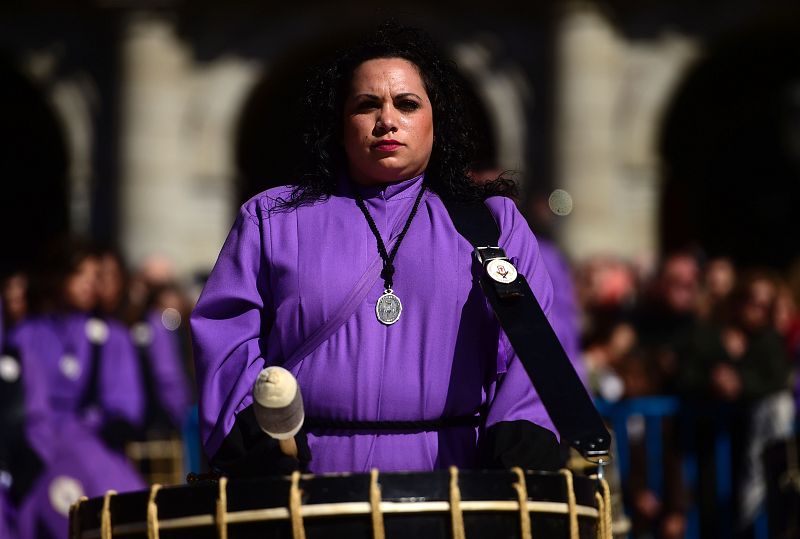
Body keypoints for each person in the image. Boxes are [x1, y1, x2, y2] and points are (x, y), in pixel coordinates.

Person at [191, 22, 563, 476]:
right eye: (367, 106)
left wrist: (518, 444)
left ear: (435, 121)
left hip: (453, 479)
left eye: (407, 104)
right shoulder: (269, 218)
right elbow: (227, 338)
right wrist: (255, 437)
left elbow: (533, 351)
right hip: (307, 482)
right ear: (340, 124)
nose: (387, 121)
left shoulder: (494, 223)